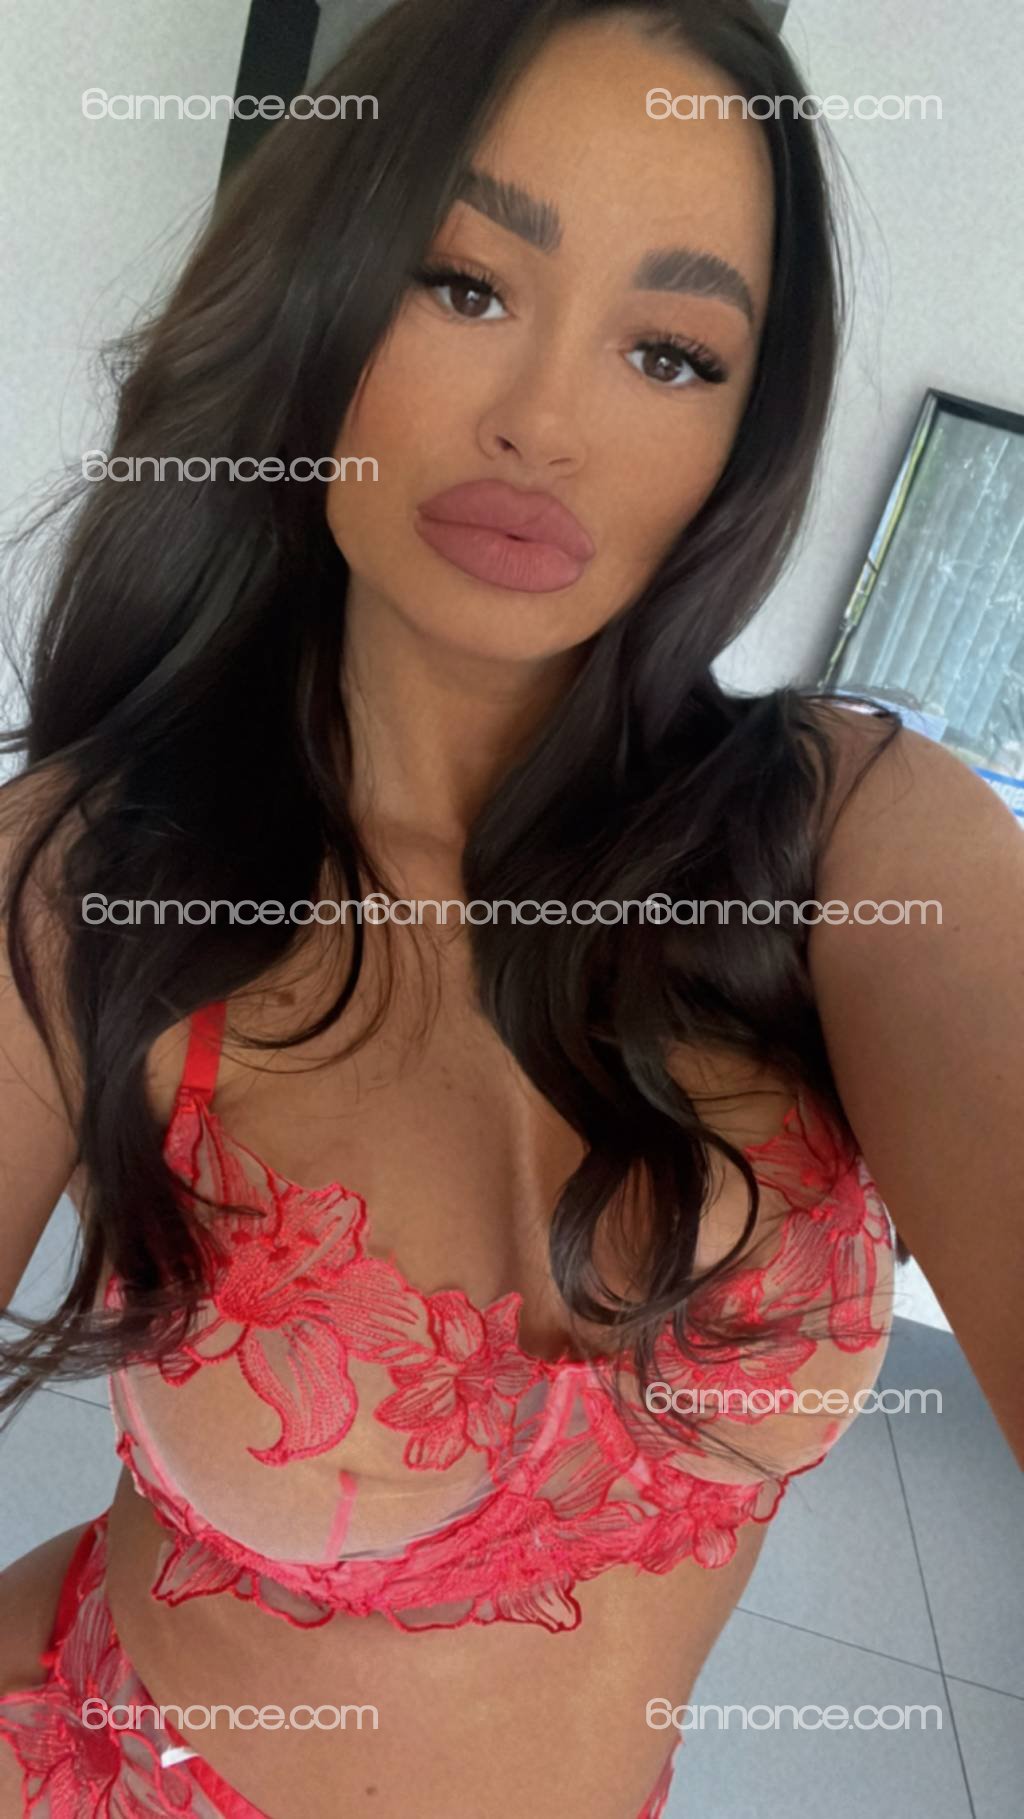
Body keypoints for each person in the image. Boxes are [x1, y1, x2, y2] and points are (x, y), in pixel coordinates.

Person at [1, 3, 1021, 1815]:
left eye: (672, 352)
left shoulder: (858, 837)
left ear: (745, 432)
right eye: (464, 284)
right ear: (318, 296)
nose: (545, 422)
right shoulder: (87, 875)